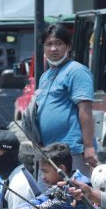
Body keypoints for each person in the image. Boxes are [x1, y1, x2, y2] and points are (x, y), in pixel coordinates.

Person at [35, 23, 97, 175]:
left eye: (58, 43)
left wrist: (88, 147)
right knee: (46, 197)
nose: (53, 49)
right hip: (48, 152)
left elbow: (85, 109)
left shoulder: (76, 71)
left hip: (71, 151)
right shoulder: (45, 76)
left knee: (73, 194)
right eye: (48, 44)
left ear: (68, 47)